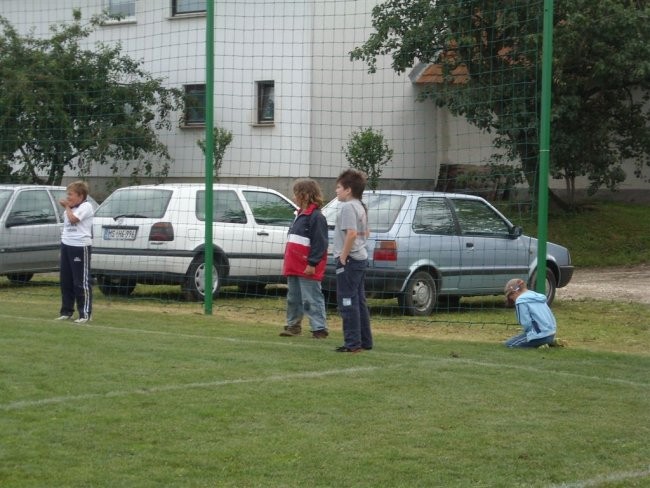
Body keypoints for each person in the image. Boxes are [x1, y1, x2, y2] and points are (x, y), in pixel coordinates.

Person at [279, 178, 329, 339]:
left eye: (296, 194)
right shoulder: (298, 215)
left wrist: (312, 263)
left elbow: (320, 243)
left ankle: (319, 328)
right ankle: (293, 326)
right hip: (294, 266)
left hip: (308, 267)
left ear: (305, 195)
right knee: (293, 298)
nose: (294, 198)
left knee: (311, 298)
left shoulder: (316, 217)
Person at [332, 169, 372, 353]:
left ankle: (352, 343)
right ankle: (364, 341)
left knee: (347, 301)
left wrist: (343, 256)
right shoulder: (360, 206)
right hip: (360, 258)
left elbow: (352, 233)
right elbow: (366, 232)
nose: (336, 191)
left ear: (348, 190)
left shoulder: (348, 207)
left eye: (339, 187)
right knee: (358, 301)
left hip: (350, 261)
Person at [55, 181, 94, 324]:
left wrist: (66, 207)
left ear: (80, 195)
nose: (68, 197)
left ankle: (85, 314)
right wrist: (62, 248)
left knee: (80, 282)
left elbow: (73, 220)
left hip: (80, 246)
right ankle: (66, 312)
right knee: (66, 281)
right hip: (67, 246)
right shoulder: (70, 208)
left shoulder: (86, 206)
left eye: (70, 194)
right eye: (68, 194)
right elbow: (66, 228)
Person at [503, 278, 557, 348]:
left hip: (539, 336)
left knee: (509, 344)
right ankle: (550, 342)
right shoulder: (536, 296)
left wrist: (528, 333)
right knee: (519, 338)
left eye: (511, 297)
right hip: (551, 333)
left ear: (514, 292)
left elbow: (526, 323)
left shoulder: (520, 301)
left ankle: (540, 345)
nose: (512, 300)